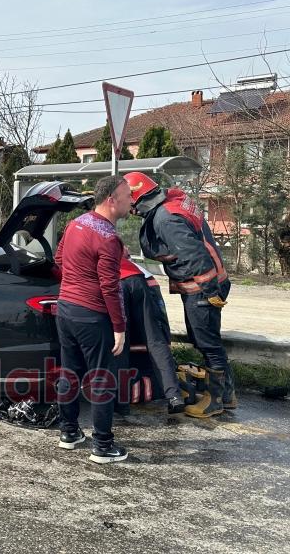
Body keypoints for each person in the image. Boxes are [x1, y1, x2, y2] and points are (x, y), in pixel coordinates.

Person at [124, 172, 234, 419]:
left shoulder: (165, 219)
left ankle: (215, 401)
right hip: (207, 283)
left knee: (207, 343)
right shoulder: (173, 203)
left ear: (139, 200)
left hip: (202, 286)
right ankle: (228, 395)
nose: (131, 211)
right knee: (208, 340)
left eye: (131, 205)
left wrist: (210, 291)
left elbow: (195, 256)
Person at [54, 175, 131, 464]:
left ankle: (69, 433)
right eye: (127, 196)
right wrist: (119, 328)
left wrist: (76, 281)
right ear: (112, 200)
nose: (131, 200)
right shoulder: (108, 238)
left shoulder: (76, 224)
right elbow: (111, 288)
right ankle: (102, 446)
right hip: (92, 315)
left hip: (66, 310)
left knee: (70, 373)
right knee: (102, 380)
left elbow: (60, 259)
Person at [119, 250, 185, 414]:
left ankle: (119, 400)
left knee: (120, 341)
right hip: (141, 279)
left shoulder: (83, 234)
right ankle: (174, 395)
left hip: (115, 281)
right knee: (155, 340)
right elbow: (159, 315)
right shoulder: (111, 236)